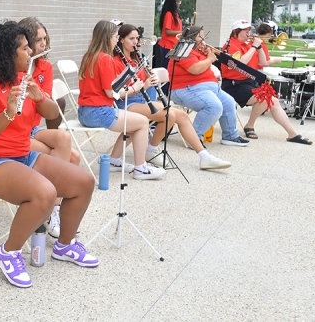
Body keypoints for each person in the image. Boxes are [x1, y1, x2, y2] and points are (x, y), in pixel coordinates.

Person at [0, 23, 99, 288]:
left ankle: (65, 245)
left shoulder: (22, 79)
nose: (31, 53)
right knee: (45, 193)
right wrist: (8, 111)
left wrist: (39, 98)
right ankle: (9, 251)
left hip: (22, 155)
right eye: (25, 48)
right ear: (7, 54)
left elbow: (51, 115)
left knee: (83, 182)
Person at [113, 24, 231, 170]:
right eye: (131, 39)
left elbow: (143, 82)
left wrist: (149, 78)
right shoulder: (117, 62)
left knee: (181, 115)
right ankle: (151, 150)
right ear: (121, 40)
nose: (136, 42)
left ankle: (204, 157)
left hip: (141, 101)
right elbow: (117, 93)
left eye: (137, 38)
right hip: (127, 103)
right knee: (169, 114)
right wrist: (144, 85)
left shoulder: (137, 58)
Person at [77, 20, 166, 180]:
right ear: (107, 38)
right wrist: (135, 88)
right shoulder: (105, 58)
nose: (116, 40)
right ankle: (141, 168)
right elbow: (111, 93)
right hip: (99, 111)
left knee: (134, 126)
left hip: (84, 111)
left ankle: (114, 161)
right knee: (143, 122)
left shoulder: (88, 56)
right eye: (115, 36)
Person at [18, 17, 82, 238]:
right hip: (18, 130)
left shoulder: (44, 66)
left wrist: (37, 96)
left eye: (45, 38)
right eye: (38, 40)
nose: (43, 44)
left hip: (33, 127)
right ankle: (52, 208)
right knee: (72, 158)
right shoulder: (14, 66)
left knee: (63, 140)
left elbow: (45, 106)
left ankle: (52, 207)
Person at [220, 20, 312, 144]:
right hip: (234, 84)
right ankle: (250, 125)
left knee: (273, 100)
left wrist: (259, 46)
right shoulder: (231, 44)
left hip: (249, 81)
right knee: (265, 98)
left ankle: (292, 134)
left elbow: (263, 62)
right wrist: (253, 47)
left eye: (249, 29)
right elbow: (241, 63)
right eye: (245, 30)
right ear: (236, 31)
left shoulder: (248, 44)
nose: (249, 32)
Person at [168, 26, 250, 147]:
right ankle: (194, 138)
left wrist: (207, 55)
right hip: (186, 88)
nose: (203, 39)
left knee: (229, 102)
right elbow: (195, 69)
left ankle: (230, 136)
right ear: (190, 37)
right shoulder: (183, 51)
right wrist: (210, 59)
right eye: (200, 36)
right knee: (214, 107)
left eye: (203, 35)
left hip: (208, 87)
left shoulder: (199, 50)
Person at [157, 0, 182, 69]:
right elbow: (167, 31)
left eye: (179, 1)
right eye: (176, 1)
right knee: (168, 68)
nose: (178, 4)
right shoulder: (169, 14)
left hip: (174, 45)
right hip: (167, 45)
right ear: (171, 2)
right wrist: (181, 33)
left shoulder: (176, 15)